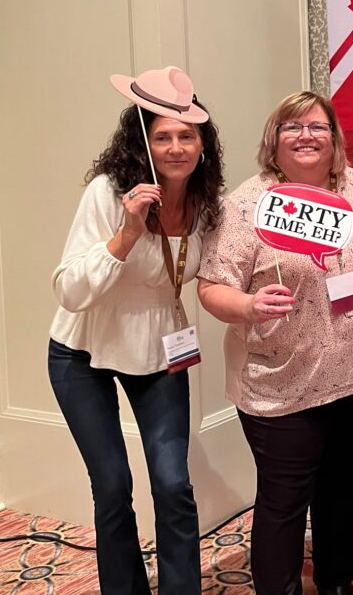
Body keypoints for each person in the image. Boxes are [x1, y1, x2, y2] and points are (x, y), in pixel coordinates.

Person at [197, 91, 353, 595]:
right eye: (292, 127)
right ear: (273, 140)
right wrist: (248, 306)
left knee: (343, 488)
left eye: (317, 126)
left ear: (334, 137)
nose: (306, 135)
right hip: (280, 384)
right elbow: (211, 286)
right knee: (285, 500)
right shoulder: (244, 205)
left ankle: (335, 582)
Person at [49, 66, 223, 594]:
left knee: (174, 485)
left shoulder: (208, 202)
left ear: (202, 143)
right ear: (142, 143)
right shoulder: (109, 192)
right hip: (81, 352)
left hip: (160, 351)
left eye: (186, 135)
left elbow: (221, 274)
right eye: (162, 136)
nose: (175, 147)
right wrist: (126, 235)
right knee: (113, 486)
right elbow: (69, 291)